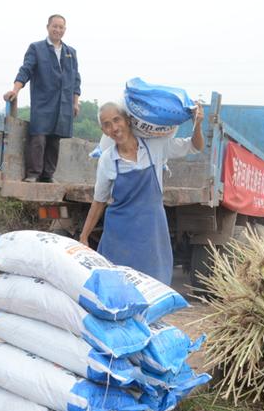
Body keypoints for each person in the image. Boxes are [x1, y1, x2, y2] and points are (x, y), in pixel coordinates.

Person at [79, 101, 204, 285]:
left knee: (154, 285)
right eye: (107, 124)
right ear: (104, 130)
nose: (114, 127)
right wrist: (83, 237)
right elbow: (99, 201)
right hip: (119, 236)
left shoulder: (155, 147)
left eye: (116, 120)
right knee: (118, 288)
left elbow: (195, 146)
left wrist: (198, 124)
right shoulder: (107, 160)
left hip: (152, 234)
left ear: (128, 120)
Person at [3, 14, 81, 182]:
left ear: (65, 30)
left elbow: (76, 80)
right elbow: (26, 70)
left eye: (61, 27)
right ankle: (33, 174)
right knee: (38, 137)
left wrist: (75, 102)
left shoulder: (70, 53)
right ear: (48, 27)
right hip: (43, 101)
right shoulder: (36, 48)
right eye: (55, 26)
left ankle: (48, 175)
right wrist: (15, 90)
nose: (57, 30)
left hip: (63, 103)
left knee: (55, 140)